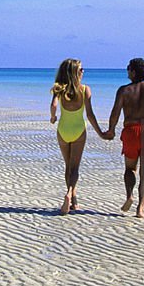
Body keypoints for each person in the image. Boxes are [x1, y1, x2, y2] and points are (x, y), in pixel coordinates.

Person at [102, 58, 144, 218]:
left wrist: (111, 130)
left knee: (130, 168)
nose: (127, 70)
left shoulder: (124, 90)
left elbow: (115, 113)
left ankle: (129, 196)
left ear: (133, 71)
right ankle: (141, 209)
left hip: (131, 130)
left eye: (128, 68)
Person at [50, 58, 107, 215]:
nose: (83, 71)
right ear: (74, 72)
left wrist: (53, 117)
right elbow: (90, 115)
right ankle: (69, 193)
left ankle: (73, 199)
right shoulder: (84, 90)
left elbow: (54, 105)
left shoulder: (59, 89)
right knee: (75, 167)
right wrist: (100, 133)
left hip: (63, 130)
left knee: (68, 166)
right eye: (81, 69)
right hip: (78, 131)